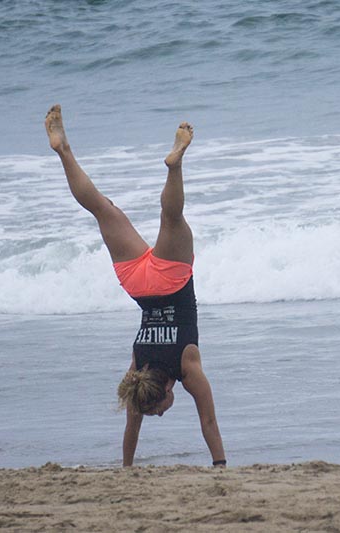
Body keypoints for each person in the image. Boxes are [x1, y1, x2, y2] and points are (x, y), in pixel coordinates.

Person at [44, 104, 226, 468]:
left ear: (163, 395)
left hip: (171, 280)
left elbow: (208, 421)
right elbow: (131, 426)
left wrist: (220, 466)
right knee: (101, 208)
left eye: (156, 412)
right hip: (137, 284)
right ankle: (62, 149)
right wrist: (125, 468)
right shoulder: (137, 368)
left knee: (171, 217)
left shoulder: (187, 369)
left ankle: (175, 165)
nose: (158, 415)